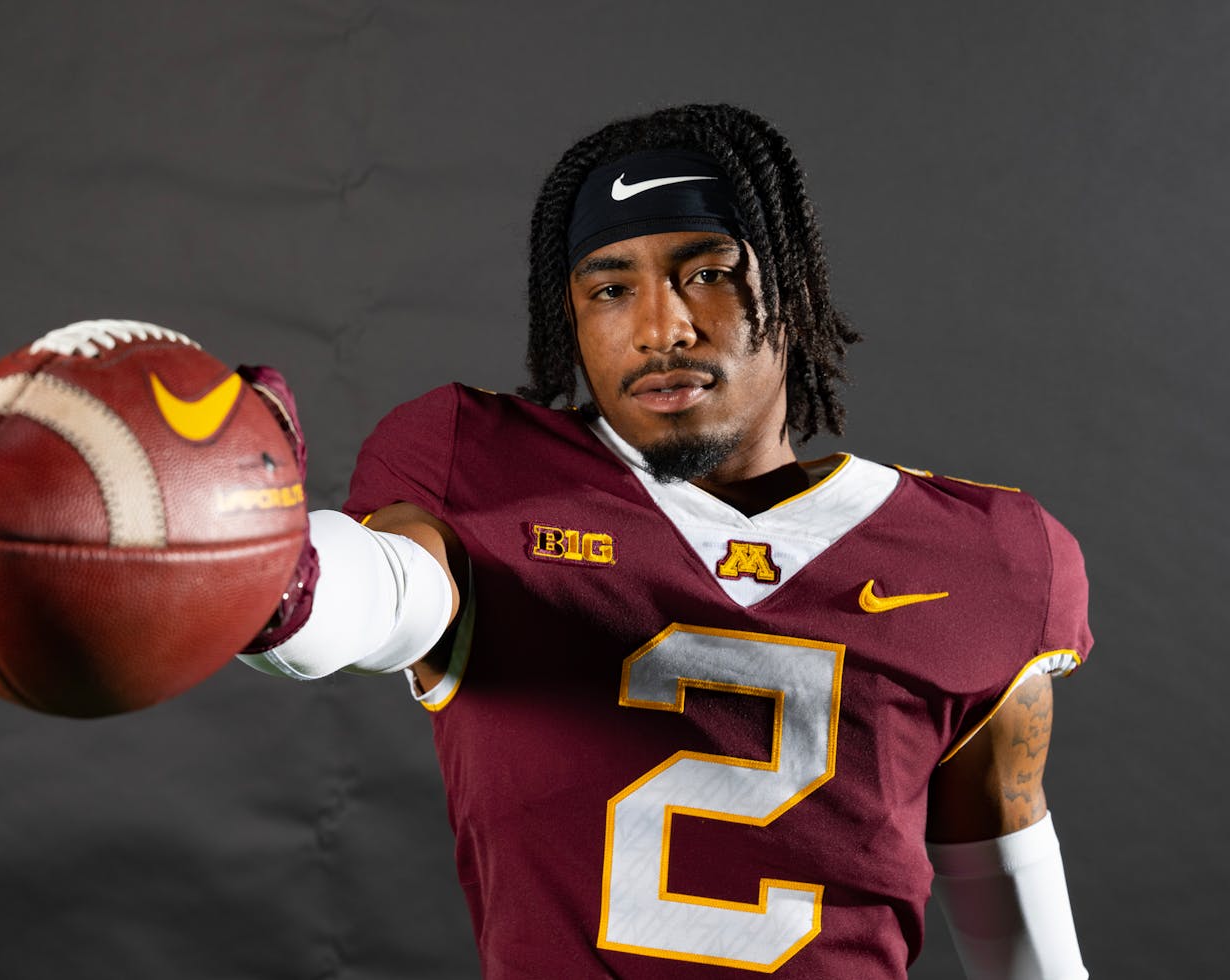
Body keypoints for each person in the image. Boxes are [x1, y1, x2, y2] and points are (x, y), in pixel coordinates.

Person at [235, 104, 1092, 979]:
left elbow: (1013, 907)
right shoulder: (482, 468)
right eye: (610, 287)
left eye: (709, 272)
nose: (661, 327)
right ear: (568, 314)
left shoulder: (986, 556)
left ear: (791, 287)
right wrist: (266, 573)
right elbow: (392, 593)